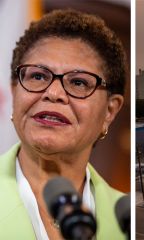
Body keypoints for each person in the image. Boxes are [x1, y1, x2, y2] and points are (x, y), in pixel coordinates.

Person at [0, 9, 127, 239]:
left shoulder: (124, 219)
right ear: (14, 92)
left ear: (110, 110)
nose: (54, 93)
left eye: (78, 82)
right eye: (38, 76)